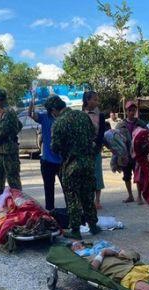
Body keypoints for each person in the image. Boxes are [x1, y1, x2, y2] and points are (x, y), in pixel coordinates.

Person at [51, 103, 100, 240]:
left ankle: (75, 229)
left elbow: (55, 147)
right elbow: (93, 133)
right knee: (87, 195)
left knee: (72, 197)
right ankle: (93, 226)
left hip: (72, 165)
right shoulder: (83, 116)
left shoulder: (59, 123)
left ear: (54, 110)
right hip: (88, 163)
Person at [29, 94, 64, 210]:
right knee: (49, 189)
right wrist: (32, 101)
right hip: (47, 161)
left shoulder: (64, 118)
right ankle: (50, 211)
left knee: (67, 188)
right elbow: (31, 115)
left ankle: (71, 211)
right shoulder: (45, 117)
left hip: (62, 161)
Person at [0, 89, 22, 196]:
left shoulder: (8, 112)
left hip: (8, 151)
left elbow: (3, 131)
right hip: (1, 150)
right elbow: (19, 125)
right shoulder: (4, 111)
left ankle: (19, 204)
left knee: (13, 180)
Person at [116, 100, 147, 204]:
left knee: (138, 176)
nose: (132, 112)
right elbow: (115, 139)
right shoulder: (121, 125)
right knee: (126, 176)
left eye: (134, 110)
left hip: (137, 155)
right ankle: (130, 195)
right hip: (125, 155)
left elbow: (148, 135)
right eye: (130, 110)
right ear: (126, 111)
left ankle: (139, 196)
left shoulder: (141, 123)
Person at [82, 91, 106, 209]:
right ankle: (88, 200)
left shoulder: (100, 115)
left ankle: (97, 200)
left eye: (97, 100)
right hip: (84, 149)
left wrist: (97, 146)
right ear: (87, 100)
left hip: (95, 149)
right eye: (94, 99)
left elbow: (101, 133)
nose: (97, 102)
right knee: (87, 175)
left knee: (97, 174)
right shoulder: (81, 114)